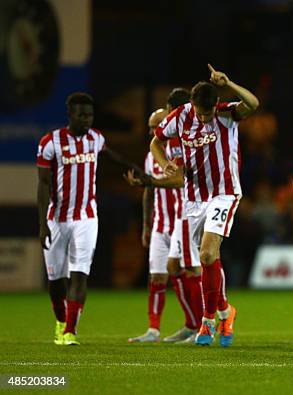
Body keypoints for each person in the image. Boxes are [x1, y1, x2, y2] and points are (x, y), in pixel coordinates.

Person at [150, 64, 259, 347]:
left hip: (224, 193)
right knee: (206, 259)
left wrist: (229, 82)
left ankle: (207, 321)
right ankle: (225, 310)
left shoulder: (225, 113)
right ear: (193, 104)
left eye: (208, 112)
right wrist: (166, 166)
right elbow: (156, 142)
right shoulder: (180, 116)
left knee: (208, 254)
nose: (204, 117)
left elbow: (253, 103)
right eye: (201, 112)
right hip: (195, 198)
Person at [37, 92, 141, 345]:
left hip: (86, 217)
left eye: (90, 115)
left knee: (80, 274)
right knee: (55, 281)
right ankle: (61, 321)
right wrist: (42, 225)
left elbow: (111, 156)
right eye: (81, 115)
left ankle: (70, 331)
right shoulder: (50, 142)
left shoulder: (95, 138)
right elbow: (42, 184)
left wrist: (137, 170)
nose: (86, 119)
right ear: (70, 114)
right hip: (57, 219)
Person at [127, 88, 208, 343]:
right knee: (160, 274)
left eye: (158, 125)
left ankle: (203, 323)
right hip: (161, 223)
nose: (154, 131)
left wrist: (149, 181)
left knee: (191, 268)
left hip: (184, 218)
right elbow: (148, 193)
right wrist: (146, 224)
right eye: (151, 127)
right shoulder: (154, 154)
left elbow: (179, 181)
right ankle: (160, 328)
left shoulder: (184, 147)